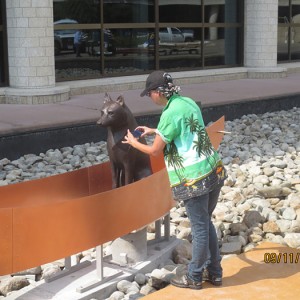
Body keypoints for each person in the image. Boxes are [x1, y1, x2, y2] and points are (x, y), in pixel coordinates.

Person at [122, 70, 227, 290]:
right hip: (212, 169)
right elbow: (184, 130)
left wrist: (133, 142)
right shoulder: (187, 102)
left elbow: (153, 151)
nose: (149, 98)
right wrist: (156, 130)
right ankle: (215, 272)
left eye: (149, 93)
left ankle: (194, 276)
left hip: (193, 178)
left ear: (158, 92)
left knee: (199, 228)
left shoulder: (168, 115)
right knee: (205, 222)